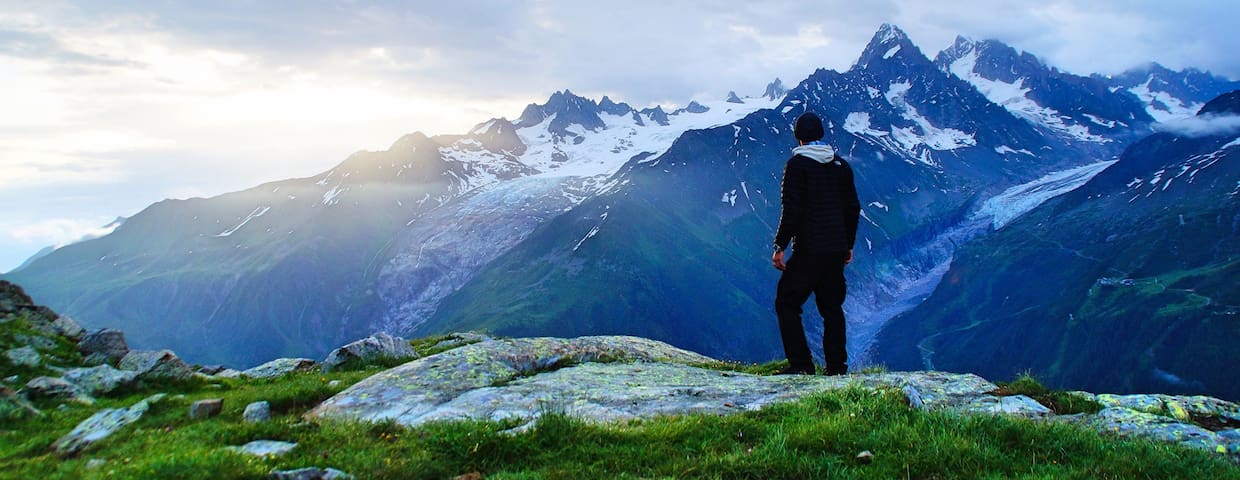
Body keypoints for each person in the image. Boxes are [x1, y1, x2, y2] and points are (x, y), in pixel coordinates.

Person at [771, 112, 860, 376]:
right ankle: (837, 367)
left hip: (809, 248)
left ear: (799, 137)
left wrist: (780, 246)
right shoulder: (841, 166)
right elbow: (852, 208)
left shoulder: (797, 166)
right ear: (820, 134)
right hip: (835, 249)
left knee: (787, 302)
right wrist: (848, 244)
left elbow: (792, 210)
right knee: (832, 308)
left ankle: (801, 364)